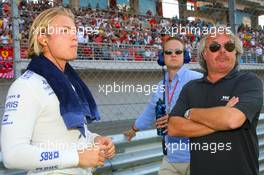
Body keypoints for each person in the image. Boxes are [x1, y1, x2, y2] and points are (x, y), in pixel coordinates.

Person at [1, 7, 115, 175]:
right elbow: (13, 156)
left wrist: (95, 139)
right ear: (43, 38)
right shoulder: (26, 86)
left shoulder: (70, 83)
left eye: (75, 31)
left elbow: (71, 134)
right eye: (64, 30)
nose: (74, 36)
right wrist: (77, 157)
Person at [168, 30, 263, 175]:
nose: (223, 51)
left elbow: (232, 120)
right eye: (215, 47)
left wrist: (190, 113)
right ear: (204, 54)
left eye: (229, 47)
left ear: (235, 53)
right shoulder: (191, 88)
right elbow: (174, 128)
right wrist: (221, 118)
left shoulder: (249, 81)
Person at [123, 37, 202, 175]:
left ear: (185, 56)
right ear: (162, 57)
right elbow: (150, 111)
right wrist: (134, 129)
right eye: (168, 52)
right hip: (170, 157)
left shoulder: (197, 79)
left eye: (178, 52)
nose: (173, 55)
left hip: (195, 156)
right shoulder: (161, 85)